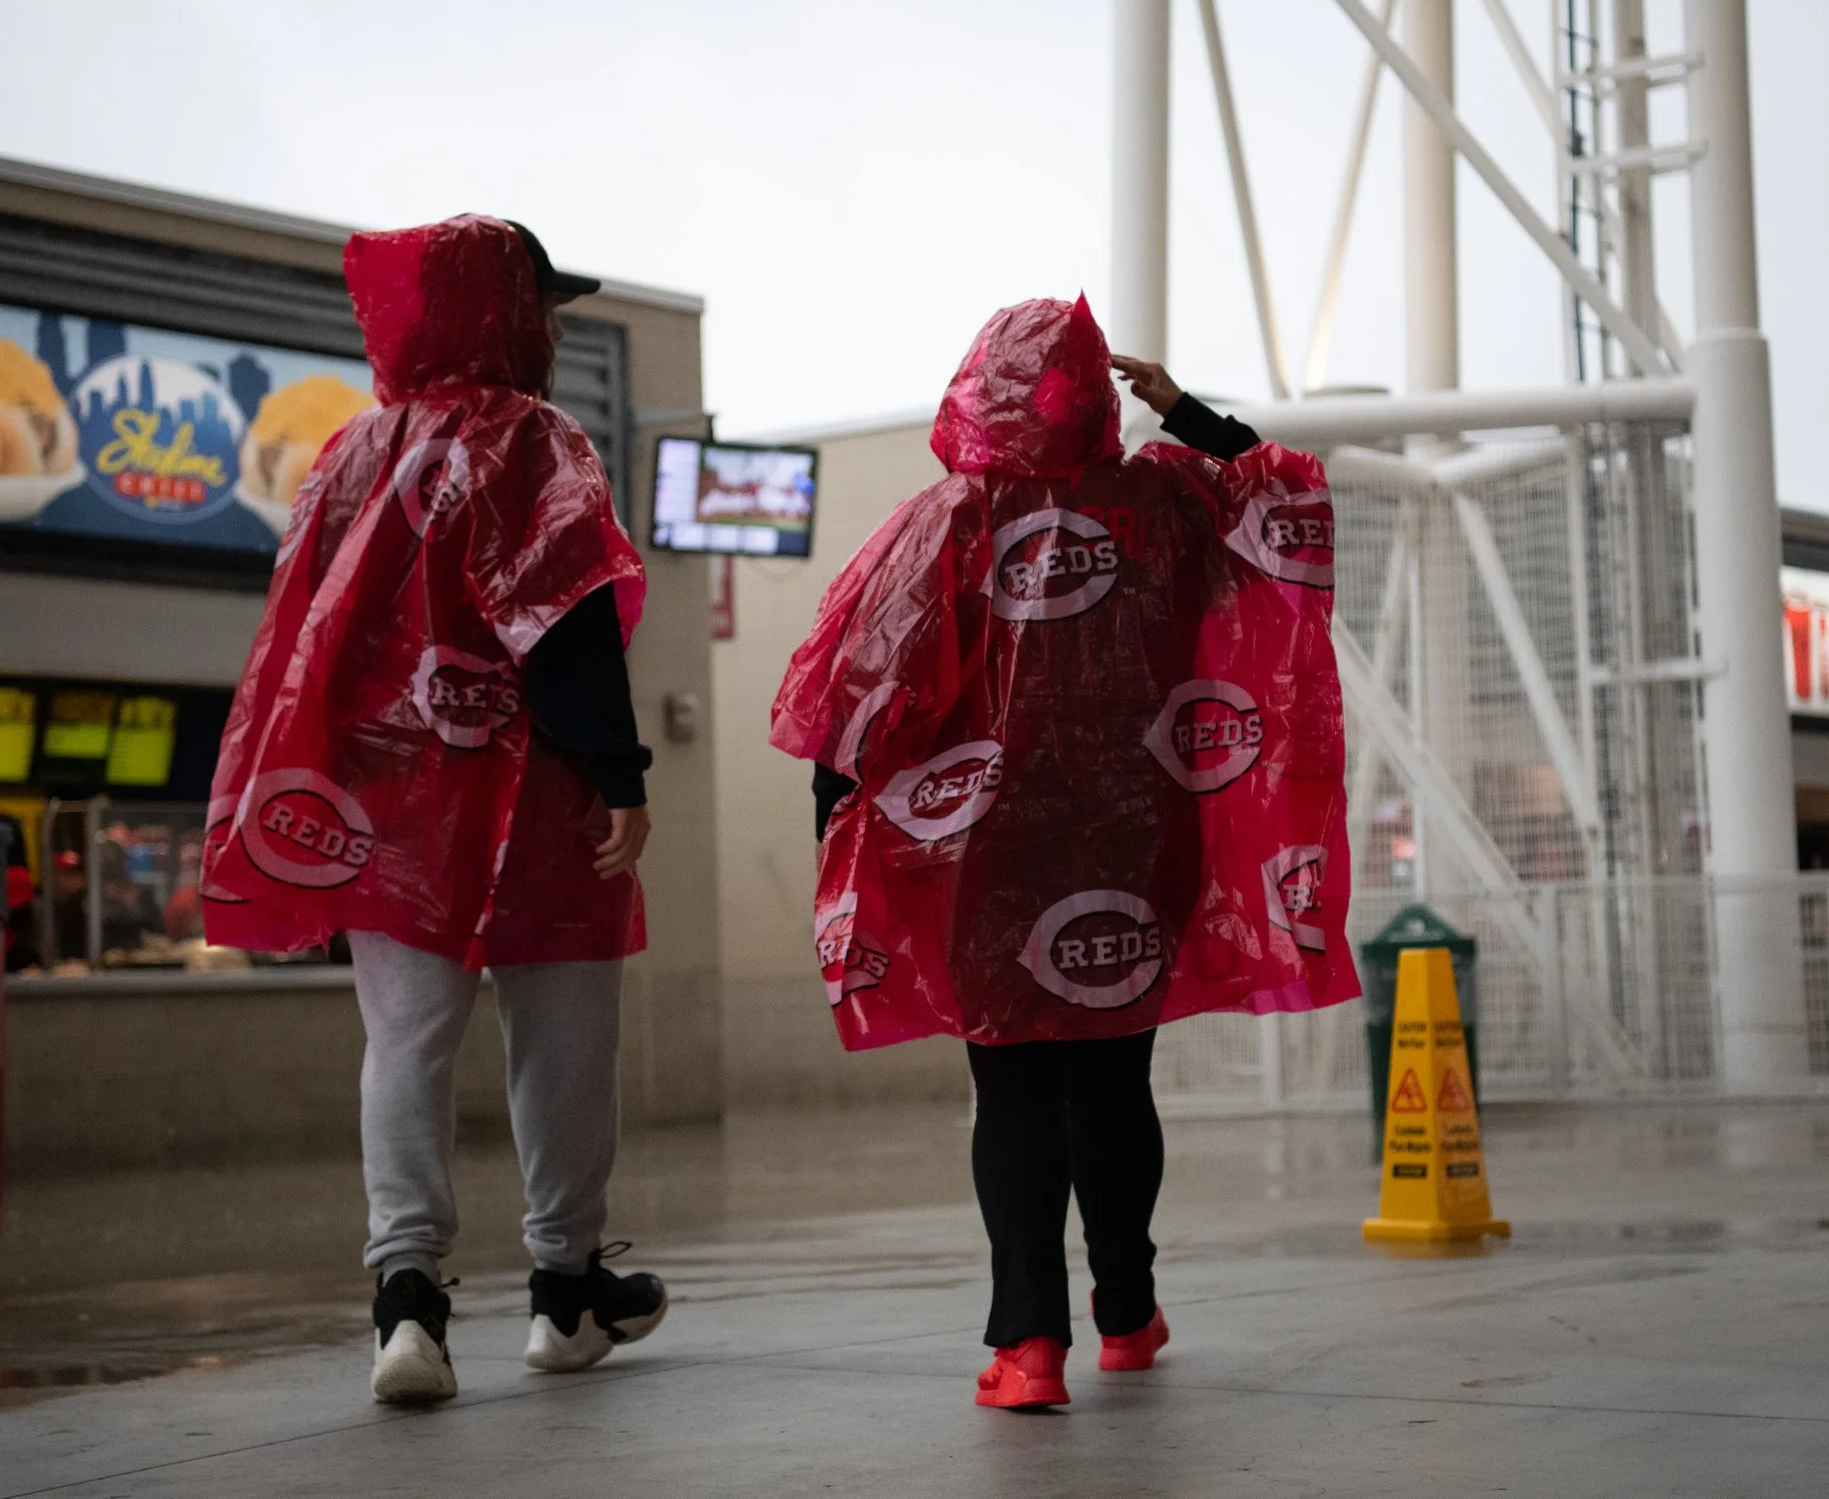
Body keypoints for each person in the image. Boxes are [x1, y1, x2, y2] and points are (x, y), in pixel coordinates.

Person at [773, 298, 1356, 1411]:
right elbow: (1283, 498)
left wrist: (839, 840)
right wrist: (1183, 408)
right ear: (1097, 390)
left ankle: (1026, 1342)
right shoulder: (1164, 501)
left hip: (982, 848)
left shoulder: (942, 519)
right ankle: (1126, 1313)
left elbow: (857, 698)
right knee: (1113, 1078)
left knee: (1015, 1086)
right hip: (1141, 826)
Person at [202, 214, 666, 1405]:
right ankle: (565, 1292)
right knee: (561, 1041)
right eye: (542, 305)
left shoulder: (348, 454)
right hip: (538, 794)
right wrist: (621, 772)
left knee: (403, 1045)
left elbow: (301, 640)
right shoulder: (537, 438)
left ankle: (406, 1301)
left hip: (386, 806)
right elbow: (562, 621)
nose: (552, 329)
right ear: (504, 311)